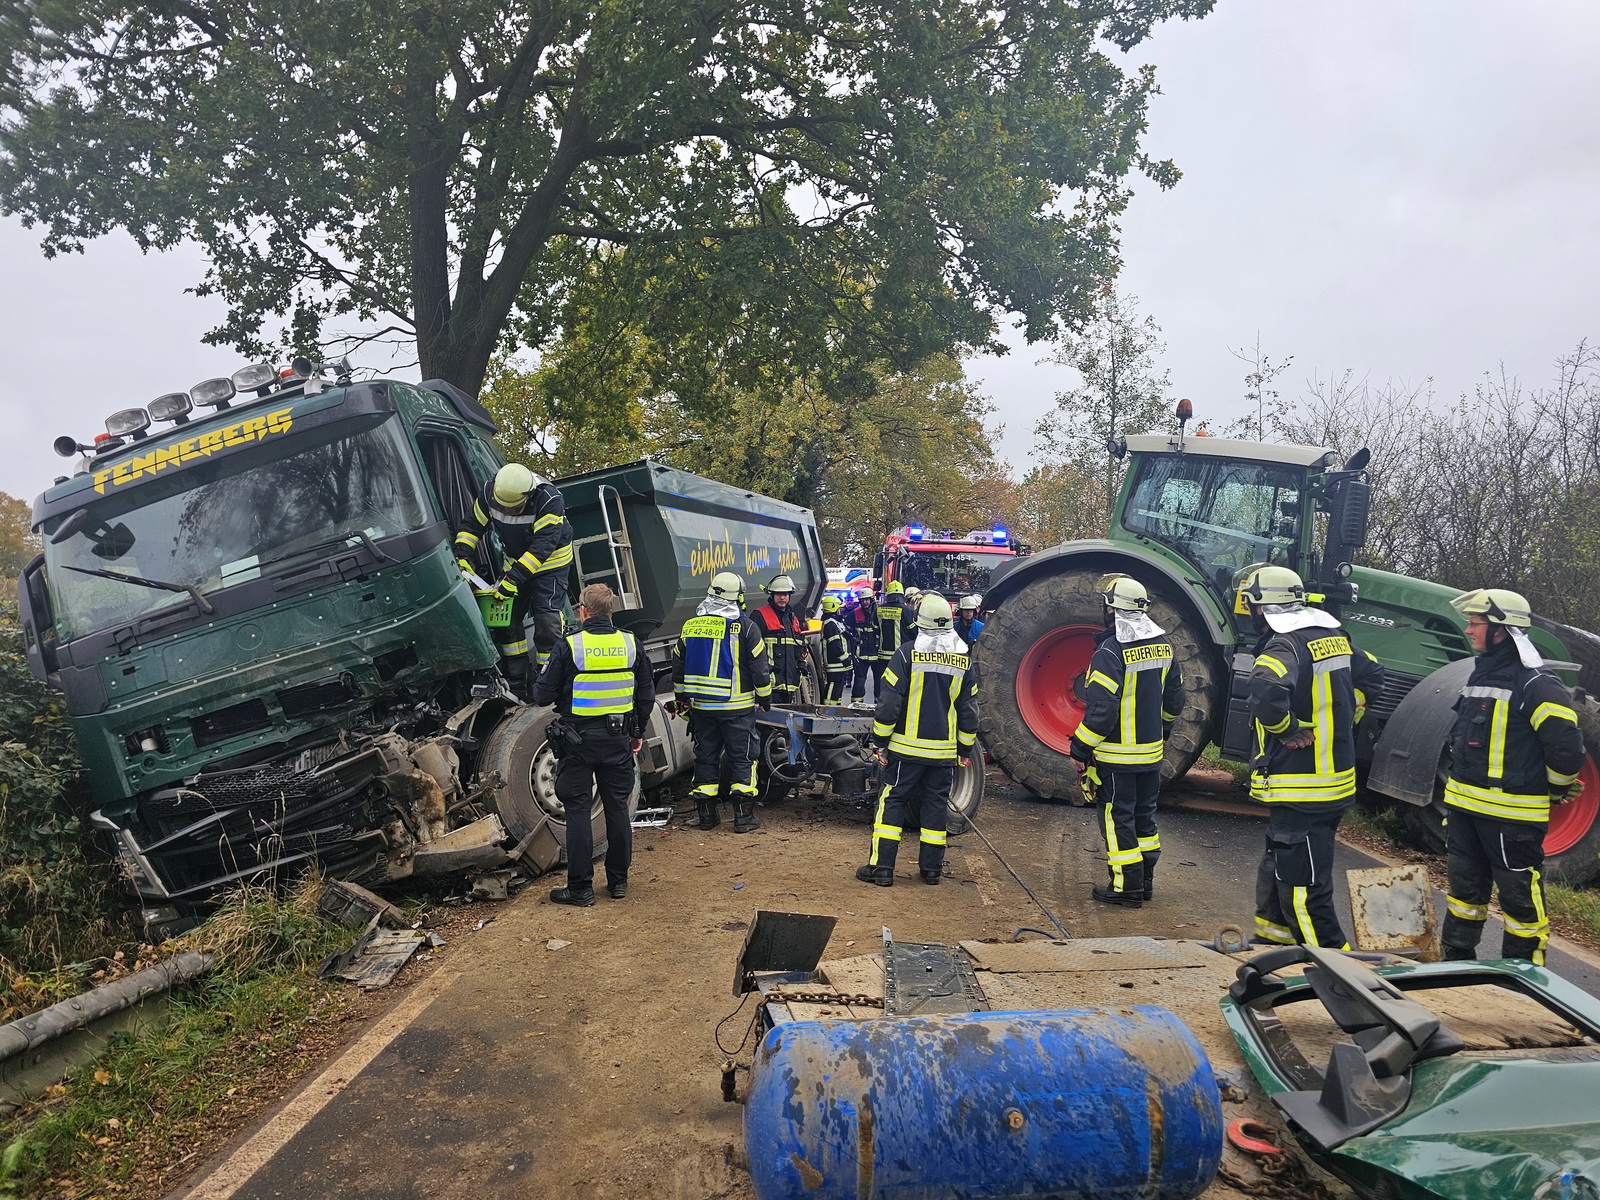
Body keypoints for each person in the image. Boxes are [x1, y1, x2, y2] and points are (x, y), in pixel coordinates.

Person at [1240, 565, 1384, 949]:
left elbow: (1266, 688)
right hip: (1330, 782)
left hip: (1302, 784)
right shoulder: (1334, 636)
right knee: (1279, 864)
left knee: (1303, 886)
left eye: (1251, 605)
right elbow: (1373, 675)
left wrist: (1286, 729)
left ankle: (1337, 968)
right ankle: (1272, 944)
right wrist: (1347, 706)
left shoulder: (1284, 645)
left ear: (1263, 607)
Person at [1440, 588, 1585, 965]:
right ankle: (1456, 966)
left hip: (1512, 816)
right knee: (1463, 893)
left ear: (1501, 630)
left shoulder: (1537, 682)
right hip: (1464, 808)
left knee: (1518, 898)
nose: (1469, 630)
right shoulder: (1481, 672)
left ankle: (1523, 976)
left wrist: (1557, 785)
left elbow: (1566, 746)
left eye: (1476, 623)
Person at [533, 584, 654, 906]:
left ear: (583, 611)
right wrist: (637, 730)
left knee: (578, 811)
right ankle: (618, 883)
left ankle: (581, 889)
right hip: (617, 739)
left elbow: (541, 696)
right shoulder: (631, 644)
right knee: (617, 810)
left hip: (577, 742)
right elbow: (645, 696)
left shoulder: (569, 646)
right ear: (610, 610)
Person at [1069, 575, 1185, 907]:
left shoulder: (1110, 650)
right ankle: (1145, 881)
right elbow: (1175, 699)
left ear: (1112, 610)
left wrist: (1080, 747)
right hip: (1150, 754)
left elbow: (1102, 709)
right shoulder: (1163, 644)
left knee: (1117, 816)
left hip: (1118, 758)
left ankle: (1126, 887)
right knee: (1144, 816)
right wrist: (1161, 732)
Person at [857, 594, 979, 887]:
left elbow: (888, 704)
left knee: (892, 802)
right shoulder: (963, 660)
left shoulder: (906, 654)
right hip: (943, 753)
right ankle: (932, 871)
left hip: (905, 751)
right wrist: (964, 749)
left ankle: (882, 869)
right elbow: (969, 711)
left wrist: (880, 742)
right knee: (935, 806)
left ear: (919, 623)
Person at [453, 463, 574, 698]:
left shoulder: (549, 500)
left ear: (528, 496)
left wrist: (513, 580)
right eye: (502, 508)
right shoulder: (490, 492)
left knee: (547, 619)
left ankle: (547, 681)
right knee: (506, 620)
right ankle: (516, 681)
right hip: (515, 563)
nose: (507, 512)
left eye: (513, 508)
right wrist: (463, 555)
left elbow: (543, 547)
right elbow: (472, 526)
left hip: (551, 564)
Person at [672, 572, 773, 832]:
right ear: (737, 597)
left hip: (703, 709)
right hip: (737, 709)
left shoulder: (690, 626)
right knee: (743, 759)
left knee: (705, 758)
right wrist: (764, 698)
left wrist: (681, 697)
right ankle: (743, 818)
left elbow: (678, 667)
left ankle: (706, 817)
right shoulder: (746, 626)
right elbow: (759, 668)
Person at [751, 574, 810, 705]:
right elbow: (751, 652)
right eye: (778, 594)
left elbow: (799, 646)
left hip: (789, 687)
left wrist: (801, 664)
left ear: (790, 595)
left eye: (785, 594)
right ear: (771, 595)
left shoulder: (792, 618)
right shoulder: (759, 615)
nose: (782, 597)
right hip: (768, 687)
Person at [820, 594, 854, 704]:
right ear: (834, 608)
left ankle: (835, 709)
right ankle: (827, 710)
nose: (840, 610)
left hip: (837, 665)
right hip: (835, 664)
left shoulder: (834, 623)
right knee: (832, 688)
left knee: (837, 691)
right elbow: (835, 645)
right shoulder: (830, 625)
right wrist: (846, 660)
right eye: (839, 608)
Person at [874, 581, 907, 692]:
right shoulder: (906, 611)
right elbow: (913, 632)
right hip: (901, 655)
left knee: (884, 680)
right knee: (899, 681)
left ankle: (879, 701)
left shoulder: (879, 610)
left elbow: (875, 629)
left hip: (883, 655)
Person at [849, 589, 879, 702]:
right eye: (862, 600)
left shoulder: (879, 612)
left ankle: (879, 704)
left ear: (871, 599)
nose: (865, 602)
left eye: (867, 599)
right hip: (861, 654)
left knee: (879, 680)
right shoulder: (855, 613)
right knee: (859, 680)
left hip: (877, 654)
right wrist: (853, 637)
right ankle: (856, 704)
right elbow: (845, 627)